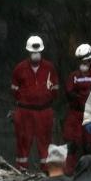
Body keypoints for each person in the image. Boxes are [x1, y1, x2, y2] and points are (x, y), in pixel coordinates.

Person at [10, 35, 59, 171]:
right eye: (33, 52)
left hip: (44, 111)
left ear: (41, 51)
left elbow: (55, 90)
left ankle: (46, 171)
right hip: (25, 112)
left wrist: (45, 99)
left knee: (45, 142)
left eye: (37, 52)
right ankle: (21, 170)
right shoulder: (19, 69)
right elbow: (14, 91)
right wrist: (26, 100)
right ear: (28, 52)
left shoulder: (50, 68)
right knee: (23, 142)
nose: (35, 55)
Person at [63, 44, 91, 174]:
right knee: (72, 143)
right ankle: (69, 170)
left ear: (90, 60)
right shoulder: (73, 76)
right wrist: (81, 99)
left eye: (85, 60)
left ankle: (89, 171)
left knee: (88, 145)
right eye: (81, 61)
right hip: (76, 114)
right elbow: (70, 93)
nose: (83, 63)